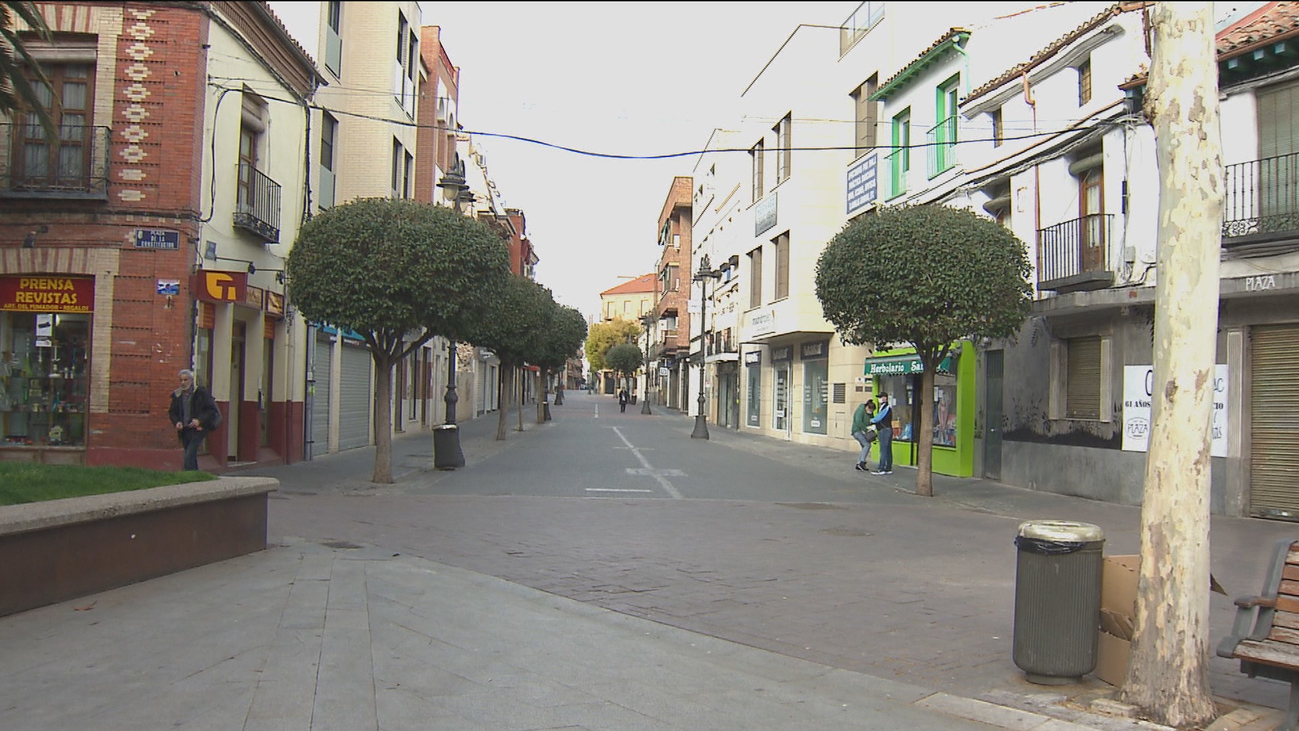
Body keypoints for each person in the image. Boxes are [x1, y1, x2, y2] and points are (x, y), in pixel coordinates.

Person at [168, 368, 219, 471]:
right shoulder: (177, 395)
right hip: (185, 429)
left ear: (191, 380)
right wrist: (177, 422)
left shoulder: (200, 393)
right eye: (181, 380)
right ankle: (194, 474)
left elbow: (211, 410)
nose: (183, 383)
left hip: (199, 428)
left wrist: (199, 420)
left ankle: (186, 474)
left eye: (185, 380)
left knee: (189, 454)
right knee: (190, 453)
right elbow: (172, 412)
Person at [870, 392, 894, 475]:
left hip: (884, 430)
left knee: (883, 450)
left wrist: (870, 421)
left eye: (880, 397)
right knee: (888, 450)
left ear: (885, 398)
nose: (879, 399)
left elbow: (878, 418)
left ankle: (881, 468)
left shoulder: (886, 408)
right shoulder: (885, 407)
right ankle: (888, 468)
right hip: (887, 429)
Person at [850, 399, 876, 472]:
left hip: (862, 431)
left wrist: (872, 426)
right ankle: (861, 463)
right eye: (870, 410)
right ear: (867, 407)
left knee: (864, 447)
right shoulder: (860, 410)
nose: (870, 412)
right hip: (857, 431)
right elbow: (858, 421)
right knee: (867, 445)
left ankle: (859, 463)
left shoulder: (870, 413)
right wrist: (866, 429)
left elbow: (871, 420)